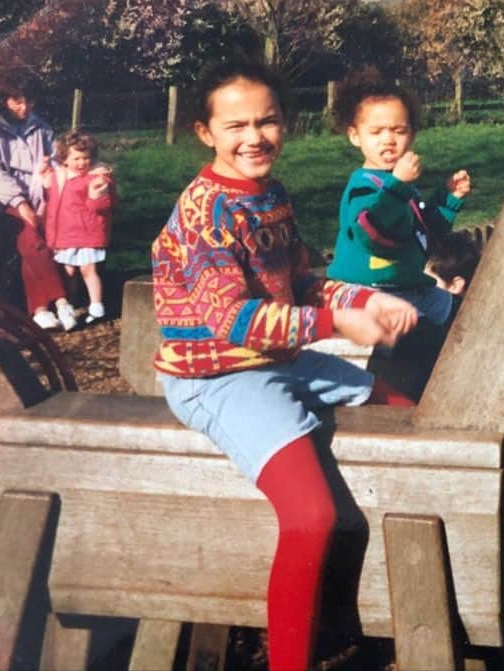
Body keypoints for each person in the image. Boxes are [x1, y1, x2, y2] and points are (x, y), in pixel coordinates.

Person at [153, 59, 419, 671]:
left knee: (398, 404)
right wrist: (334, 324)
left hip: (272, 355)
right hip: (217, 374)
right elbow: (231, 320)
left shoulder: (268, 196)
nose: (254, 137)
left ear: (285, 123)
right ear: (205, 132)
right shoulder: (206, 214)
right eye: (236, 125)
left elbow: (298, 281)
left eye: (267, 121)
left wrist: (364, 298)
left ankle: (371, 592)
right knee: (311, 514)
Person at [326, 68, 472, 326]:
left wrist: (448, 198)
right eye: (376, 132)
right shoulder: (364, 186)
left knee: (465, 315)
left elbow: (424, 233)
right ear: (355, 136)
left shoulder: (399, 186)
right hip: (369, 291)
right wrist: (398, 186)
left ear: (412, 134)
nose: (388, 140)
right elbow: (372, 229)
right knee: (423, 337)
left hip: (407, 286)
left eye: (398, 131)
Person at [0, 75, 76, 330]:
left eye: (28, 101)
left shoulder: (40, 127)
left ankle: (40, 310)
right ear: (3, 101)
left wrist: (44, 200)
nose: (24, 107)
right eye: (17, 102)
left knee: (35, 243)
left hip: (40, 195)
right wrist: (21, 205)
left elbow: (52, 163)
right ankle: (61, 301)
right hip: (6, 200)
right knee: (32, 241)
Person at [39, 131, 115, 326]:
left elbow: (102, 205)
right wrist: (44, 169)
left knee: (88, 269)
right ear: (65, 160)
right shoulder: (60, 177)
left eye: (86, 158)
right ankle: (70, 306)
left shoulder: (97, 177)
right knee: (69, 271)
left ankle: (97, 306)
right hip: (66, 234)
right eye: (77, 159)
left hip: (87, 232)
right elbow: (48, 188)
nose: (82, 163)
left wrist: (97, 194)